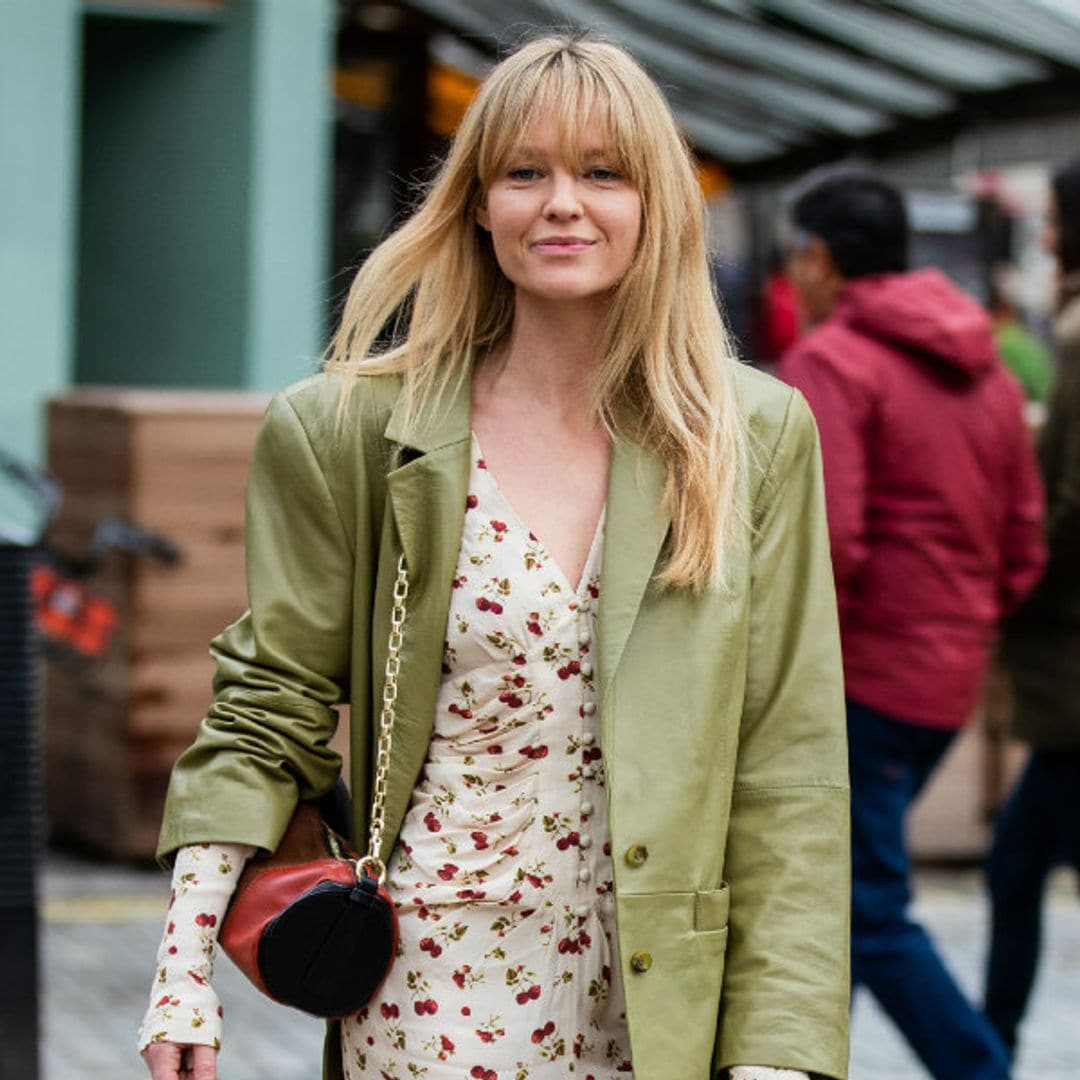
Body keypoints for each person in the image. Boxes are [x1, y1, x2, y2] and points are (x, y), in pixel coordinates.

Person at [138, 37, 851, 1080]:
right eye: (527, 172)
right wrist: (183, 965)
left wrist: (779, 1050)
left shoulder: (751, 436)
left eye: (602, 173)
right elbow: (269, 702)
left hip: (659, 1006)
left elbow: (788, 763)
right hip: (430, 992)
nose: (563, 203)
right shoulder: (346, 430)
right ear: (477, 203)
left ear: (657, 202)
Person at [778, 166, 1046, 1080]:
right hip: (950, 675)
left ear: (818, 259)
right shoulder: (990, 369)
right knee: (839, 899)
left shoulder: (830, 363)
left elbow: (829, 541)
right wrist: (963, 621)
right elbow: (1024, 541)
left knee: (861, 907)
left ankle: (979, 1069)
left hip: (861, 676)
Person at [985, 158, 1080, 1062]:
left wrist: (1013, 583)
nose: (1046, 239)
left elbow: (1075, 503)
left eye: (1055, 220)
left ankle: (985, 1053)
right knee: (1016, 869)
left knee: (1015, 870)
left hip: (1071, 660)